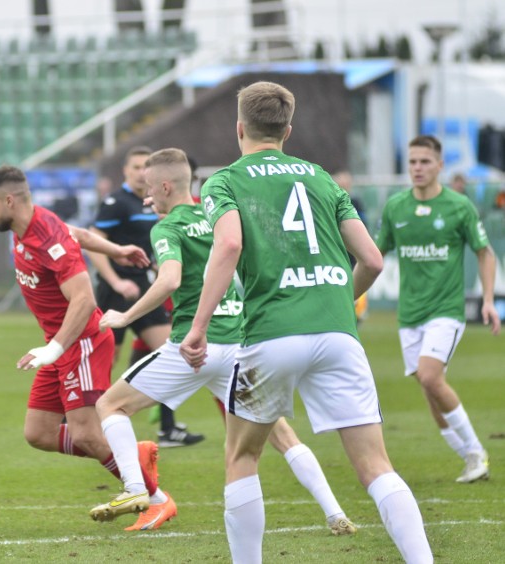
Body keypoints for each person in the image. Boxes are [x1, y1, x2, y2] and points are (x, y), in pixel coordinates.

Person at [181, 81, 432, 563]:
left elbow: (229, 245)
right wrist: (338, 304)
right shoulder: (321, 177)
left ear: (240, 128)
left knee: (242, 456)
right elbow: (374, 261)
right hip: (338, 334)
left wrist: (198, 326)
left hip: (272, 335)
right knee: (376, 465)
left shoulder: (225, 180)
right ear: (288, 129)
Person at [90, 148, 356, 535]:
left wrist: (125, 316)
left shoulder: (167, 227)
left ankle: (135, 488)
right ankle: (334, 513)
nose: (146, 196)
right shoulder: (219, 214)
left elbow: (170, 280)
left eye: (150, 188)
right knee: (283, 435)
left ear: (164, 186)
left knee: (110, 405)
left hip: (193, 347)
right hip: (239, 345)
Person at [0, 165, 161, 527]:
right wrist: (117, 250)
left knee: (86, 433)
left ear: (9, 200)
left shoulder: (46, 236)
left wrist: (55, 349)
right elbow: (75, 232)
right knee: (39, 433)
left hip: (82, 343)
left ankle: (154, 497)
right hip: (60, 345)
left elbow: (83, 300)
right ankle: (130, 457)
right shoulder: (28, 224)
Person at [376, 135, 500, 483]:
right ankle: (470, 458)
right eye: (412, 162)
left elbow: (485, 253)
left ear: (439, 166)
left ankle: (476, 450)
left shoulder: (458, 207)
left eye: (425, 162)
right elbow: (375, 255)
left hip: (446, 310)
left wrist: (488, 299)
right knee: (429, 386)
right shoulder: (395, 207)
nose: (417, 168)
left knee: (430, 376)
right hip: (409, 315)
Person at [88, 146, 204, 448]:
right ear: (126, 171)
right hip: (117, 293)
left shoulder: (157, 206)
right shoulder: (116, 203)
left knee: (172, 351)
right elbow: (94, 244)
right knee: (106, 359)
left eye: (145, 167)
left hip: (149, 288)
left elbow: (168, 256)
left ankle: (167, 429)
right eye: (136, 166)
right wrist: (115, 280)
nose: (141, 172)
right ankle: (86, 419)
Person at [332, 169, 368, 322]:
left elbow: (363, 225)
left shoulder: (356, 202)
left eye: (347, 182)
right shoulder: (330, 201)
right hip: (337, 259)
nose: (344, 185)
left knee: (357, 310)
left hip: (353, 260)